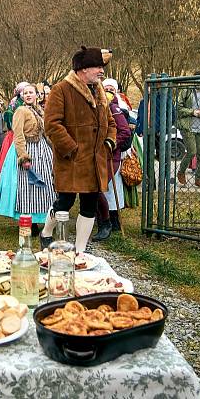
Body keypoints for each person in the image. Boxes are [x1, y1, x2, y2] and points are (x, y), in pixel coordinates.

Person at [42, 46, 116, 252]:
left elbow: (111, 123)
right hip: (71, 160)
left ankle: (80, 250)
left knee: (89, 205)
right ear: (83, 69)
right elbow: (52, 124)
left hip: (95, 161)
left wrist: (109, 143)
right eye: (97, 67)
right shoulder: (61, 90)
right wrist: (72, 149)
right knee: (64, 202)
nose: (101, 71)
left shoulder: (100, 92)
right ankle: (47, 232)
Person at [0, 83, 57, 233]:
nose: (28, 95)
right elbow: (18, 134)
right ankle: (29, 222)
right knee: (27, 187)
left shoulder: (40, 111)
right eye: (25, 93)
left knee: (44, 184)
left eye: (31, 92)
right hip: (27, 149)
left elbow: (46, 133)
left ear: (36, 95)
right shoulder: (20, 111)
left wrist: (55, 148)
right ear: (22, 96)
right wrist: (23, 156)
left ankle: (43, 219)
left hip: (42, 150)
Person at [93, 79, 132, 241]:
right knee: (95, 188)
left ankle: (108, 222)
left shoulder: (114, 108)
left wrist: (110, 144)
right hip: (96, 155)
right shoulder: (96, 106)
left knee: (99, 188)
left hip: (110, 155)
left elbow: (124, 132)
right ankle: (100, 220)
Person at [0, 81, 28, 193]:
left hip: (25, 135)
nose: (25, 94)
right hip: (15, 136)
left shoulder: (27, 103)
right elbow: (9, 119)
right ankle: (9, 186)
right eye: (24, 92)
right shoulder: (14, 103)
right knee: (11, 161)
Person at [176, 73, 200, 189]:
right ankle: (181, 172)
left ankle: (198, 179)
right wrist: (193, 112)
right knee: (192, 151)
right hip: (188, 127)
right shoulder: (186, 91)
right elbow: (179, 108)